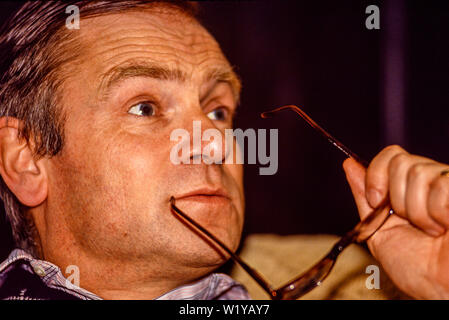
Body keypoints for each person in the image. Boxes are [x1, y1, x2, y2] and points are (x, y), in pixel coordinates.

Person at [0, 0, 447, 300]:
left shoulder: (362, 278)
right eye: (145, 107)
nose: (215, 142)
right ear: (26, 158)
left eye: (217, 112)